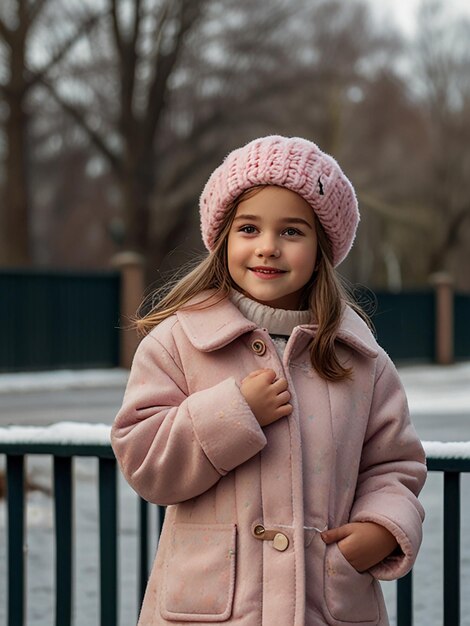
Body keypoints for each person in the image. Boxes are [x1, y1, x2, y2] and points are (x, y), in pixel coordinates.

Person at [112, 135, 426, 626]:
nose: (267, 248)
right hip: (209, 609)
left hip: (327, 605)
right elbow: (144, 460)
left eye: (292, 232)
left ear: (322, 247)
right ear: (222, 239)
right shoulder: (178, 343)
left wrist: (384, 526)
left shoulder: (361, 360)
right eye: (249, 228)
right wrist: (234, 413)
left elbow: (394, 465)